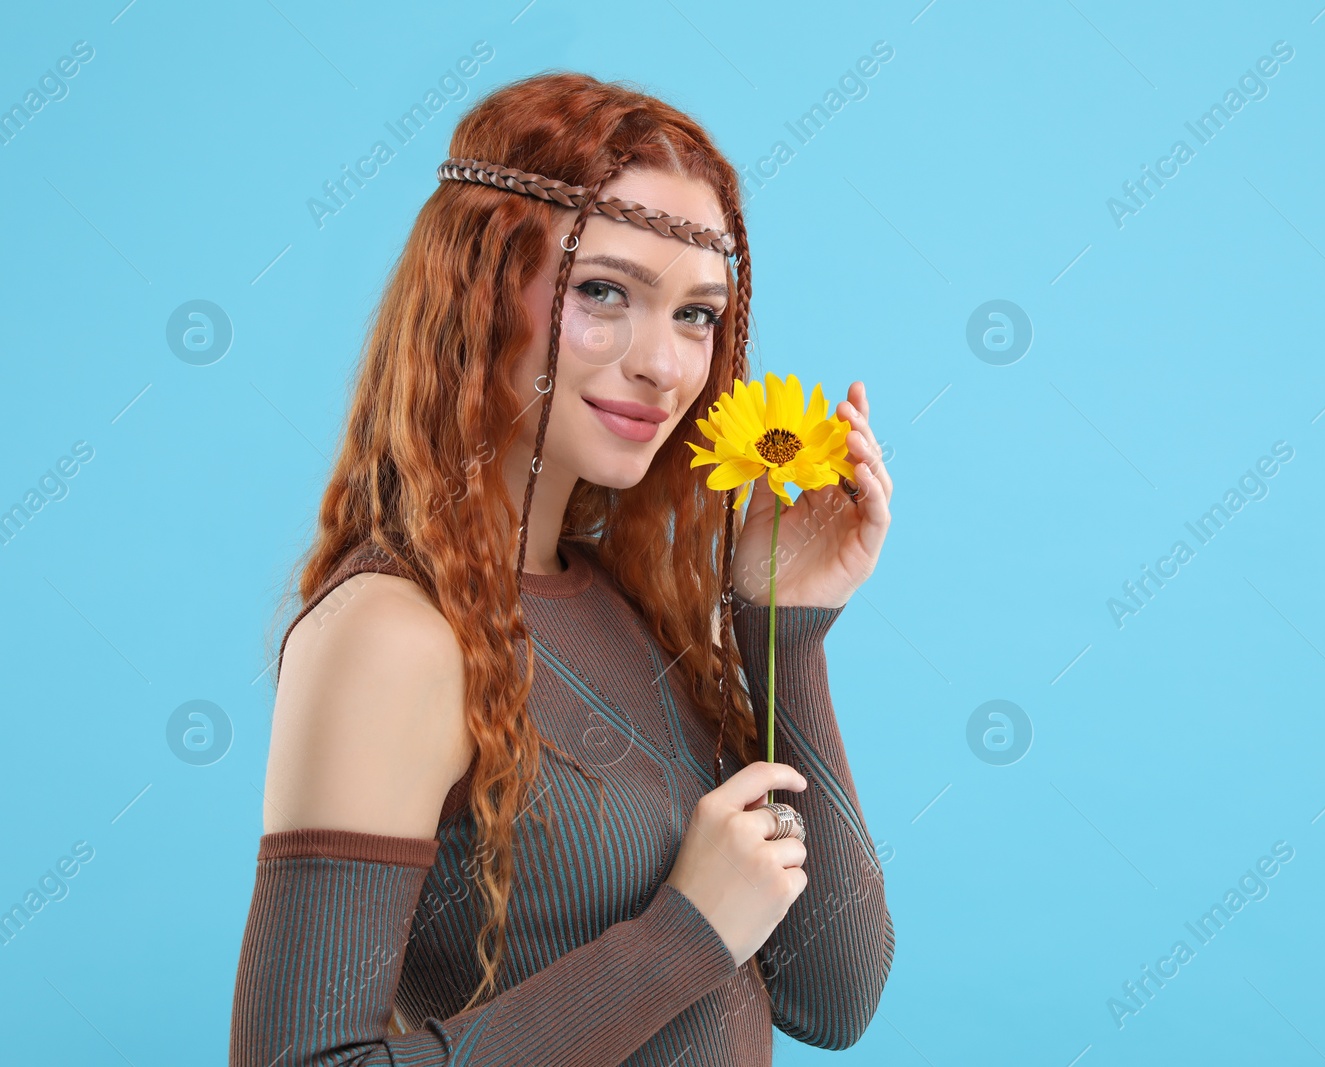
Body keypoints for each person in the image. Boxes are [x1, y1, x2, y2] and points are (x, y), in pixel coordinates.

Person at [229, 70, 895, 1066]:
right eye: (604, 292)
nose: (663, 366)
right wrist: (683, 936)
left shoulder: (635, 604)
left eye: (696, 315)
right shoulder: (391, 633)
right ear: (478, 289)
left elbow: (832, 996)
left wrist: (782, 628)